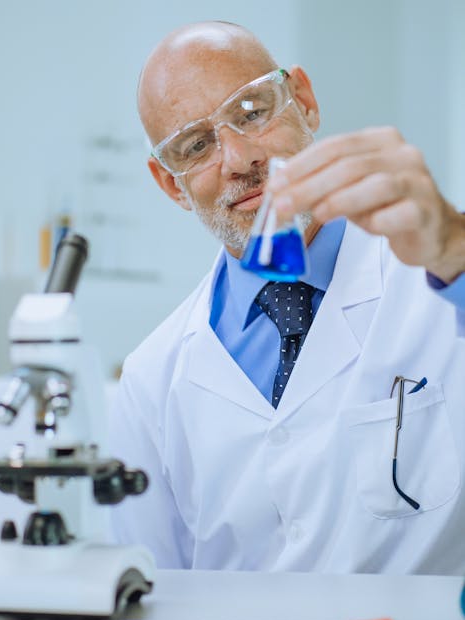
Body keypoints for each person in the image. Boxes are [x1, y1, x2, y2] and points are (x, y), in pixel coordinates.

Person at [109, 21, 465, 573]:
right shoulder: (151, 383)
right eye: (196, 145)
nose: (237, 157)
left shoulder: (436, 277)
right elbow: (150, 604)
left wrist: (453, 242)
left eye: (251, 111)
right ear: (171, 184)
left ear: (303, 101)